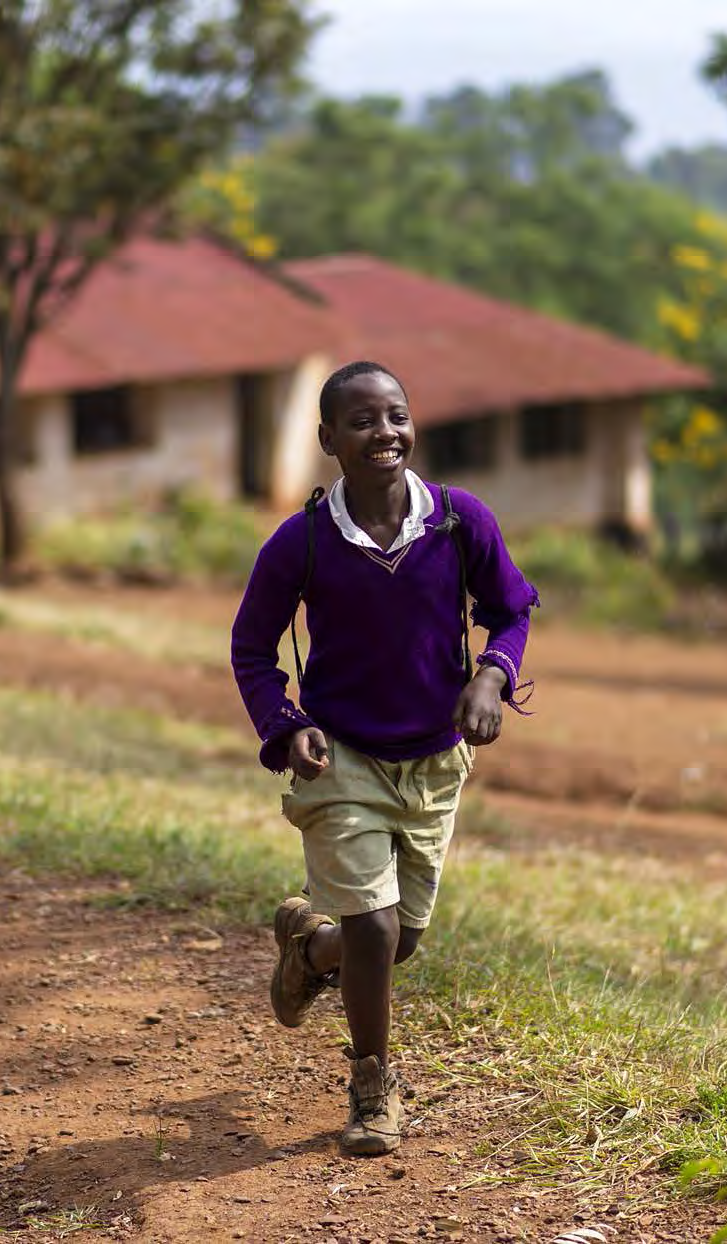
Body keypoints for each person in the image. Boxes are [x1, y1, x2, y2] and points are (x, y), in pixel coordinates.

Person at [230, 360, 538, 1157]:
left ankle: (310, 949)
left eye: (396, 415)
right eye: (362, 421)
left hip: (433, 761)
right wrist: (284, 723)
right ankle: (373, 1088)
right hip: (342, 760)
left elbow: (511, 610)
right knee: (373, 928)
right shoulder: (300, 542)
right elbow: (251, 649)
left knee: (397, 940)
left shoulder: (459, 521)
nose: (384, 433)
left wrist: (491, 678)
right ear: (329, 439)